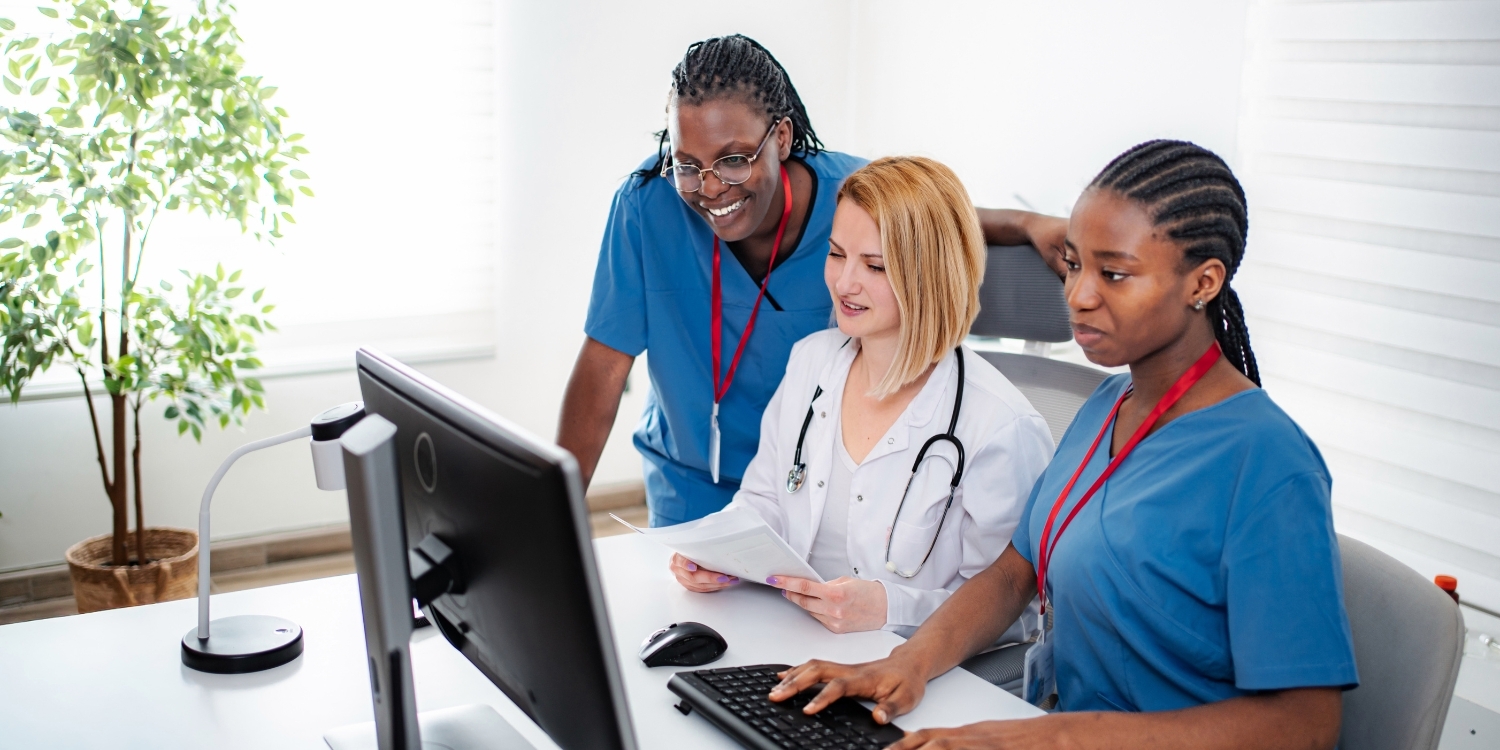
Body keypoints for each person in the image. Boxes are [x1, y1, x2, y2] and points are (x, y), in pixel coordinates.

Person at [767, 141, 1359, 750]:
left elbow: (1306, 725)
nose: (1078, 295)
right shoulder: (1108, 406)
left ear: (1202, 282)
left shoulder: (1267, 460)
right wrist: (906, 665)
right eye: (1073, 265)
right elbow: (1012, 576)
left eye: (1114, 274)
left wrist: (1055, 738)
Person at [670, 157, 1054, 639]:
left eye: (874, 266)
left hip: (904, 666)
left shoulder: (1001, 427)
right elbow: (763, 498)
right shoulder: (811, 360)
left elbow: (1015, 612)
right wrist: (719, 550)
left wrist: (890, 608)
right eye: (836, 254)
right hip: (786, 635)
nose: (844, 283)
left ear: (930, 275)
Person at [557, 35, 867, 527]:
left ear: (782, 137)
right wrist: (553, 515)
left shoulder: (858, 200)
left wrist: (1006, 226)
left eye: (734, 159)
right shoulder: (647, 205)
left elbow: (941, 222)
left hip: (812, 486)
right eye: (688, 165)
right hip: (690, 485)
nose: (711, 187)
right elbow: (603, 365)